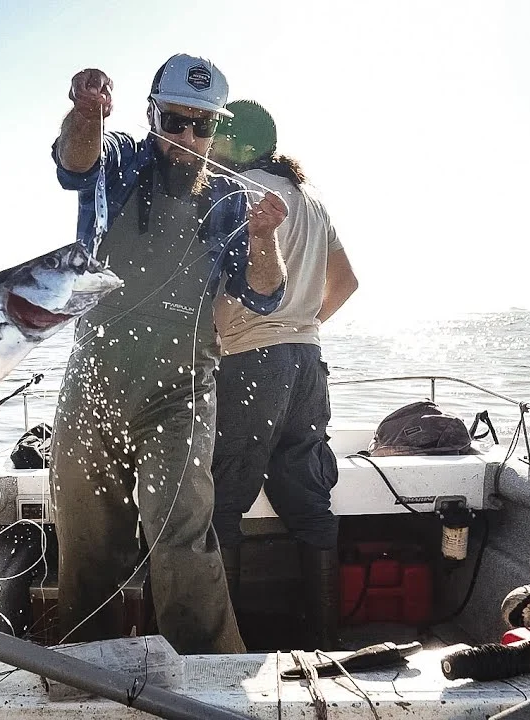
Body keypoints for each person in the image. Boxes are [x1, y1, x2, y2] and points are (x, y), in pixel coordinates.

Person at [49, 55, 287, 655]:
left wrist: (264, 241)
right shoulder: (120, 159)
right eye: (175, 120)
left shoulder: (235, 201)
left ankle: (212, 681)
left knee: (181, 534)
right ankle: (83, 668)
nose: (186, 137)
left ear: (217, 128)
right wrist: (84, 113)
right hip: (93, 383)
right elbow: (74, 162)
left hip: (180, 393)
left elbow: (265, 295)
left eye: (201, 124)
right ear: (151, 114)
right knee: (85, 539)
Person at [208, 99, 359, 649]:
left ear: (229, 142)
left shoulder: (229, 189)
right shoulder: (312, 203)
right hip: (307, 362)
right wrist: (304, 322)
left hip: (250, 363)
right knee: (310, 503)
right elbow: (346, 283)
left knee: (222, 506)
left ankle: (226, 652)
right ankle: (325, 642)